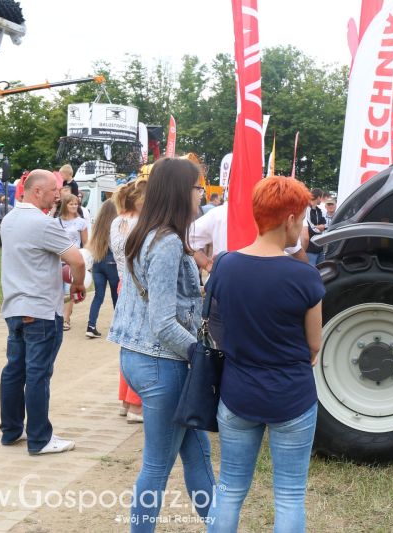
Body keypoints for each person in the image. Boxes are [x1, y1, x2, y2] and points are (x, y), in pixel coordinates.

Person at [207, 176, 325, 533]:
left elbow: (215, 325)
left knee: (228, 490)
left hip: (238, 392)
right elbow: (314, 344)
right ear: (289, 218)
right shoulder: (304, 276)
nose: (302, 227)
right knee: (289, 496)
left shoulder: (225, 265)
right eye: (302, 219)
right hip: (292, 394)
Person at [108, 158, 215, 530]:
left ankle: (220, 525)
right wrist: (202, 358)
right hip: (162, 363)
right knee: (156, 465)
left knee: (197, 452)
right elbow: (164, 322)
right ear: (180, 192)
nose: (202, 194)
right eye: (198, 188)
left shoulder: (145, 232)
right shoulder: (167, 242)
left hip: (140, 357)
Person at [0, 169, 87, 455]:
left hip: (14, 306)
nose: (57, 197)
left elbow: (33, 258)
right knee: (38, 374)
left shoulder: (9, 219)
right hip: (40, 309)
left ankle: (11, 430)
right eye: (53, 191)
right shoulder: (43, 223)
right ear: (37, 191)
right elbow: (77, 260)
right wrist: (76, 284)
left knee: (14, 370)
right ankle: (40, 438)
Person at [110, 179, 147, 423]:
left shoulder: (117, 221)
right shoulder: (140, 224)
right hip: (138, 287)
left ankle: (126, 400)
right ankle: (136, 404)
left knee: (128, 343)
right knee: (141, 345)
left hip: (123, 283)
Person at [85, 199, 119, 339]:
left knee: (98, 296)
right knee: (116, 295)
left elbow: (91, 245)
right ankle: (118, 327)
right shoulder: (115, 225)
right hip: (111, 263)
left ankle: (91, 326)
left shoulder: (97, 226)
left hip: (97, 262)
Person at [58, 193, 89, 331]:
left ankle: (66, 318)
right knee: (57, 289)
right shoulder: (56, 222)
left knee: (68, 289)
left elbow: (85, 243)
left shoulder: (81, 222)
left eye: (76, 203)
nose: (74, 206)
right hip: (58, 259)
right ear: (65, 205)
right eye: (71, 204)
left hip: (73, 259)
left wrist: (87, 259)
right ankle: (58, 315)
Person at [304, 188, 327, 266]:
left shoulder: (319, 210)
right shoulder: (306, 209)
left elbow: (325, 224)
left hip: (320, 249)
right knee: (310, 273)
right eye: (322, 197)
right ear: (318, 197)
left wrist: (320, 226)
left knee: (322, 272)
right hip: (310, 250)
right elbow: (310, 229)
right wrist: (319, 228)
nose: (322, 200)